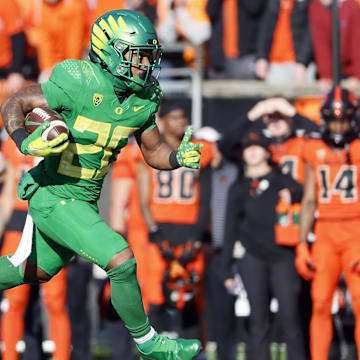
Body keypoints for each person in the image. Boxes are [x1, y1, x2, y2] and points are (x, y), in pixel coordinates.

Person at [0, 9, 202, 360]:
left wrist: (177, 159)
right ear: (109, 52)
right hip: (55, 194)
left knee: (33, 270)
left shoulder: (144, 98)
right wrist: (23, 139)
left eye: (149, 58)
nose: (145, 66)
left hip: (84, 198)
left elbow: (153, 150)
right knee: (121, 260)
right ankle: (149, 343)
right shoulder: (78, 79)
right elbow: (16, 102)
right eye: (137, 56)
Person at [222, 130, 307, 360]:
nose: (252, 151)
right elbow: (229, 229)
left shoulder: (282, 179)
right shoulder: (238, 188)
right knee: (258, 321)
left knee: (290, 318)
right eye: (248, 148)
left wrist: (292, 194)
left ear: (267, 152)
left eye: (257, 146)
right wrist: (226, 266)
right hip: (252, 257)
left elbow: (303, 191)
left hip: (282, 257)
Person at [136, 101, 215, 348]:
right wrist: (155, 233)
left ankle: (196, 352)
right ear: (163, 120)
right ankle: (156, 352)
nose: (181, 122)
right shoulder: (150, 151)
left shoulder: (197, 150)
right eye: (175, 117)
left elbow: (206, 198)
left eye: (184, 117)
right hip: (161, 231)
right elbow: (144, 200)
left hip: (190, 229)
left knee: (191, 296)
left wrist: (199, 235)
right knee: (156, 297)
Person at [296, 85, 360, 360]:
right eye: (333, 119)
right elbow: (309, 198)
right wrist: (301, 243)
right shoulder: (312, 147)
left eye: (343, 119)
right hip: (325, 232)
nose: (337, 125)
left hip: (356, 229)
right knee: (321, 302)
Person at [0, 135, 71, 360]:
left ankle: (61, 356)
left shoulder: (63, 138)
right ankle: (9, 355)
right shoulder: (13, 142)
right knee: (14, 300)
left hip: (51, 221)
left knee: (55, 300)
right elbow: (8, 193)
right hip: (18, 222)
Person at [308, 0, 360, 92]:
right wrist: (326, 76)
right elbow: (321, 46)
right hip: (332, 74)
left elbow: (356, 44)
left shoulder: (352, 6)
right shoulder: (316, 7)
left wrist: (357, 76)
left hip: (351, 72)